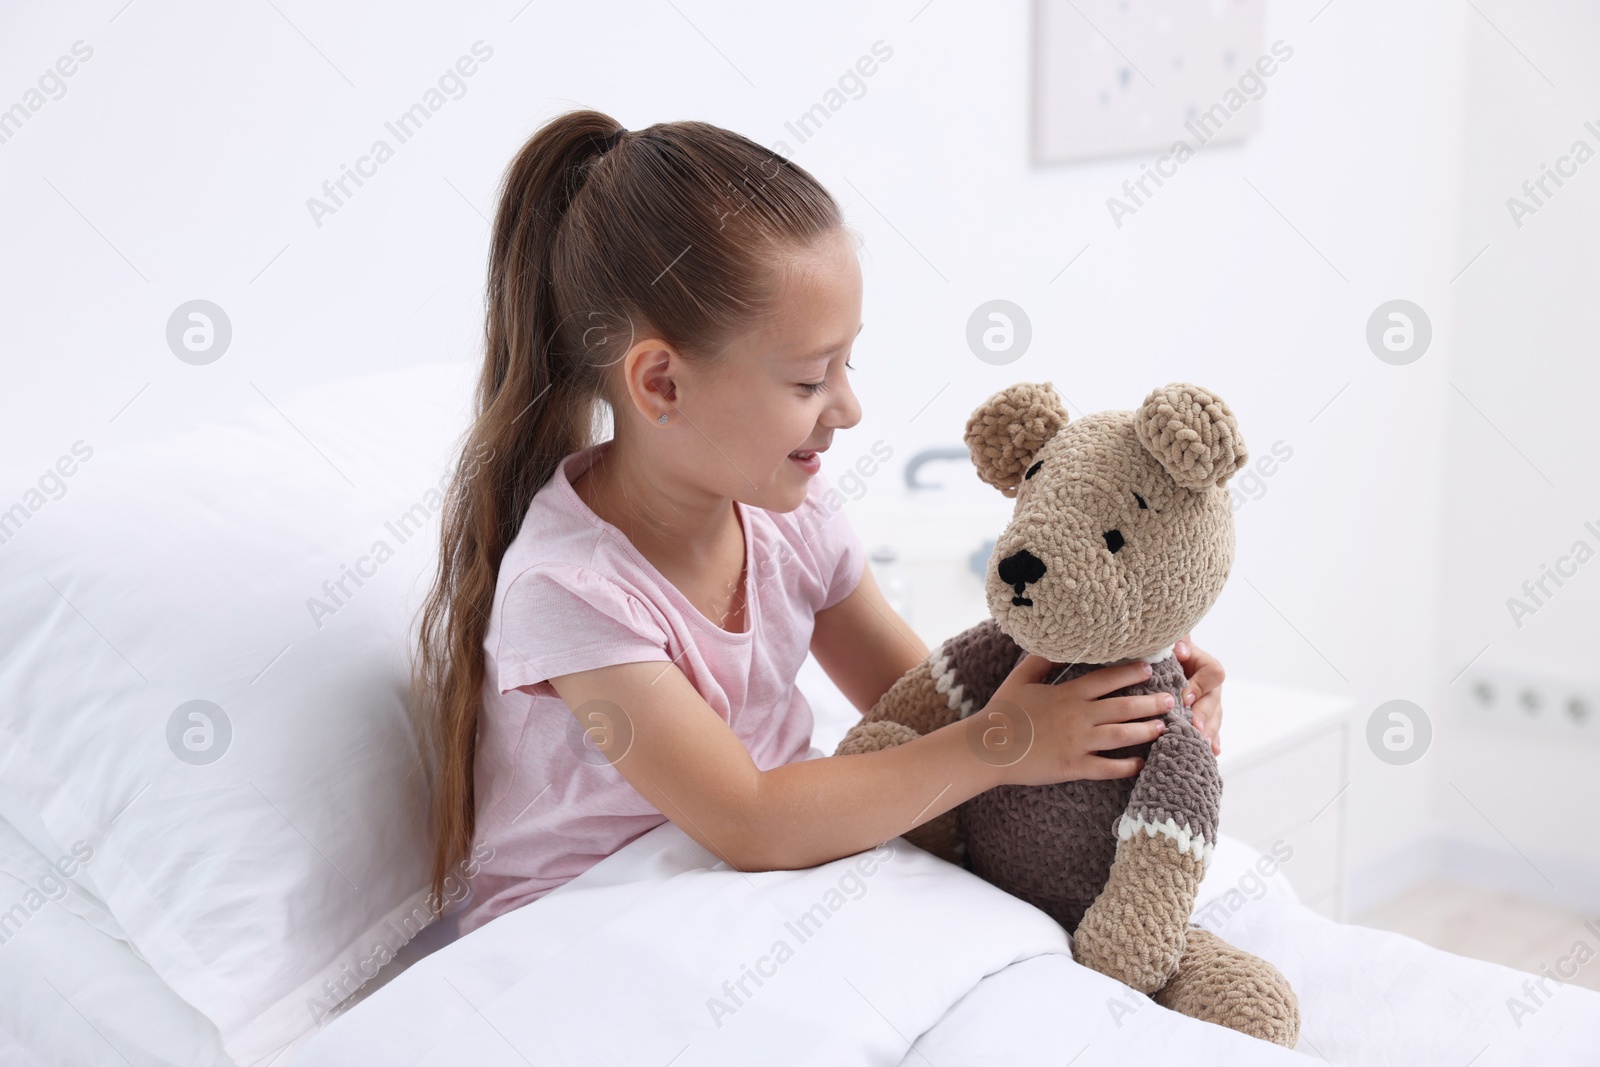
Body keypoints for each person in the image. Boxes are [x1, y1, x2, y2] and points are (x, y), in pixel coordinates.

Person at [410, 109, 1228, 935]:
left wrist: (1132, 703)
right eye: (808, 381)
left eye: (848, 362)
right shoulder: (571, 591)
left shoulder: (790, 521)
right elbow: (752, 818)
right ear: (660, 384)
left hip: (753, 879)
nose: (849, 407)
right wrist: (1003, 741)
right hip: (590, 922)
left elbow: (925, 707)